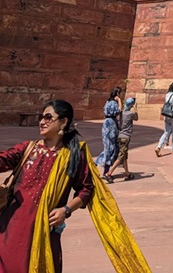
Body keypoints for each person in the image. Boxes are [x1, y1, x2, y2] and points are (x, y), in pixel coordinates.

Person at [0, 99, 151, 273]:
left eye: (48, 117)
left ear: (63, 122)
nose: (42, 122)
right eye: (42, 117)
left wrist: (66, 209)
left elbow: (86, 189)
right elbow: (3, 160)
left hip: (44, 229)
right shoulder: (27, 149)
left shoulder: (74, 155)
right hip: (12, 225)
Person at [104, 96, 138, 183]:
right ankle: (109, 173)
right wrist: (135, 108)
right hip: (126, 137)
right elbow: (136, 117)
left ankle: (127, 173)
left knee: (124, 155)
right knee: (121, 156)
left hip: (120, 136)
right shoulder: (130, 113)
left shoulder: (122, 113)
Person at [95, 89, 121, 176]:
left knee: (108, 147)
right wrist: (119, 101)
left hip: (106, 123)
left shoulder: (107, 102)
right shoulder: (114, 103)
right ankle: (104, 170)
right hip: (111, 125)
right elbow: (118, 111)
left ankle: (99, 168)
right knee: (111, 148)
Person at [155, 80, 173, 156]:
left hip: (166, 115)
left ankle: (158, 147)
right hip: (172, 116)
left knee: (166, 132)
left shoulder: (167, 95)